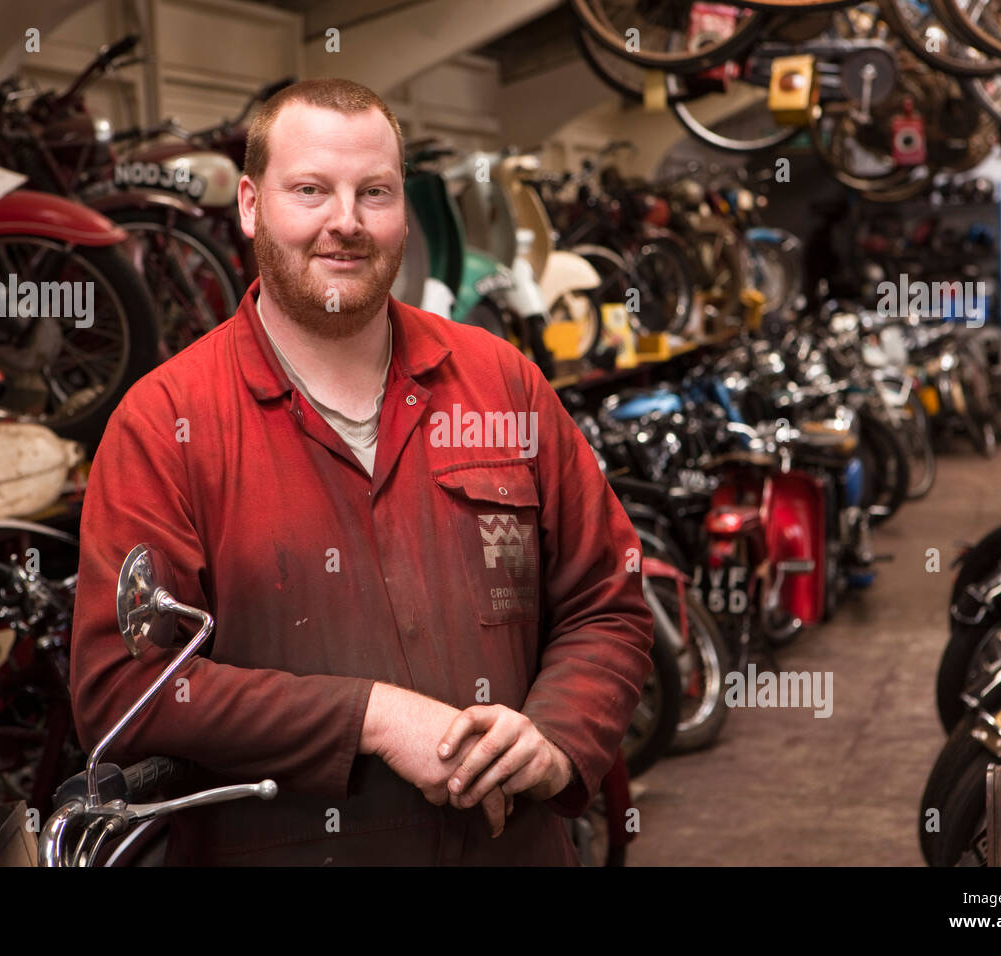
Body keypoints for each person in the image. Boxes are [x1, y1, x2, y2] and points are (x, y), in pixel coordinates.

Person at [69, 77, 653, 865]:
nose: (345, 223)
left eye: (373, 192)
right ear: (249, 205)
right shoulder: (165, 424)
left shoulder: (500, 381)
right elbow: (122, 689)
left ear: (403, 209)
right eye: (310, 190)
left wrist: (553, 738)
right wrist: (371, 717)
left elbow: (604, 601)